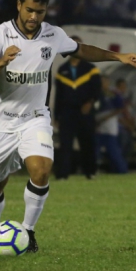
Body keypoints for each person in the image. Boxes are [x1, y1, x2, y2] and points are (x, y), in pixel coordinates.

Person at [0, 0, 136, 252]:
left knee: (41, 172)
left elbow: (81, 49)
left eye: (39, 12)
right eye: (29, 10)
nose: (33, 17)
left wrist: (118, 56)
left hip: (36, 118)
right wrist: (2, 62)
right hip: (1, 122)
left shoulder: (53, 35)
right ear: (18, 5)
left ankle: (27, 234)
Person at [54, 35, 102, 180]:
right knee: (65, 145)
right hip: (67, 112)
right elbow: (59, 96)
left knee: (87, 143)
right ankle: (62, 175)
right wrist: (57, 116)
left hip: (85, 111)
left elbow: (97, 90)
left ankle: (90, 172)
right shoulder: (62, 70)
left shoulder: (91, 69)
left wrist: (90, 102)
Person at [95, 75, 128, 174]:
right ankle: (93, 170)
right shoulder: (95, 93)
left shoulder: (113, 94)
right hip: (97, 126)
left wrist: (106, 117)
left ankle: (122, 171)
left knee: (114, 151)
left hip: (109, 126)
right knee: (95, 151)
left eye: (104, 82)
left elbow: (120, 108)